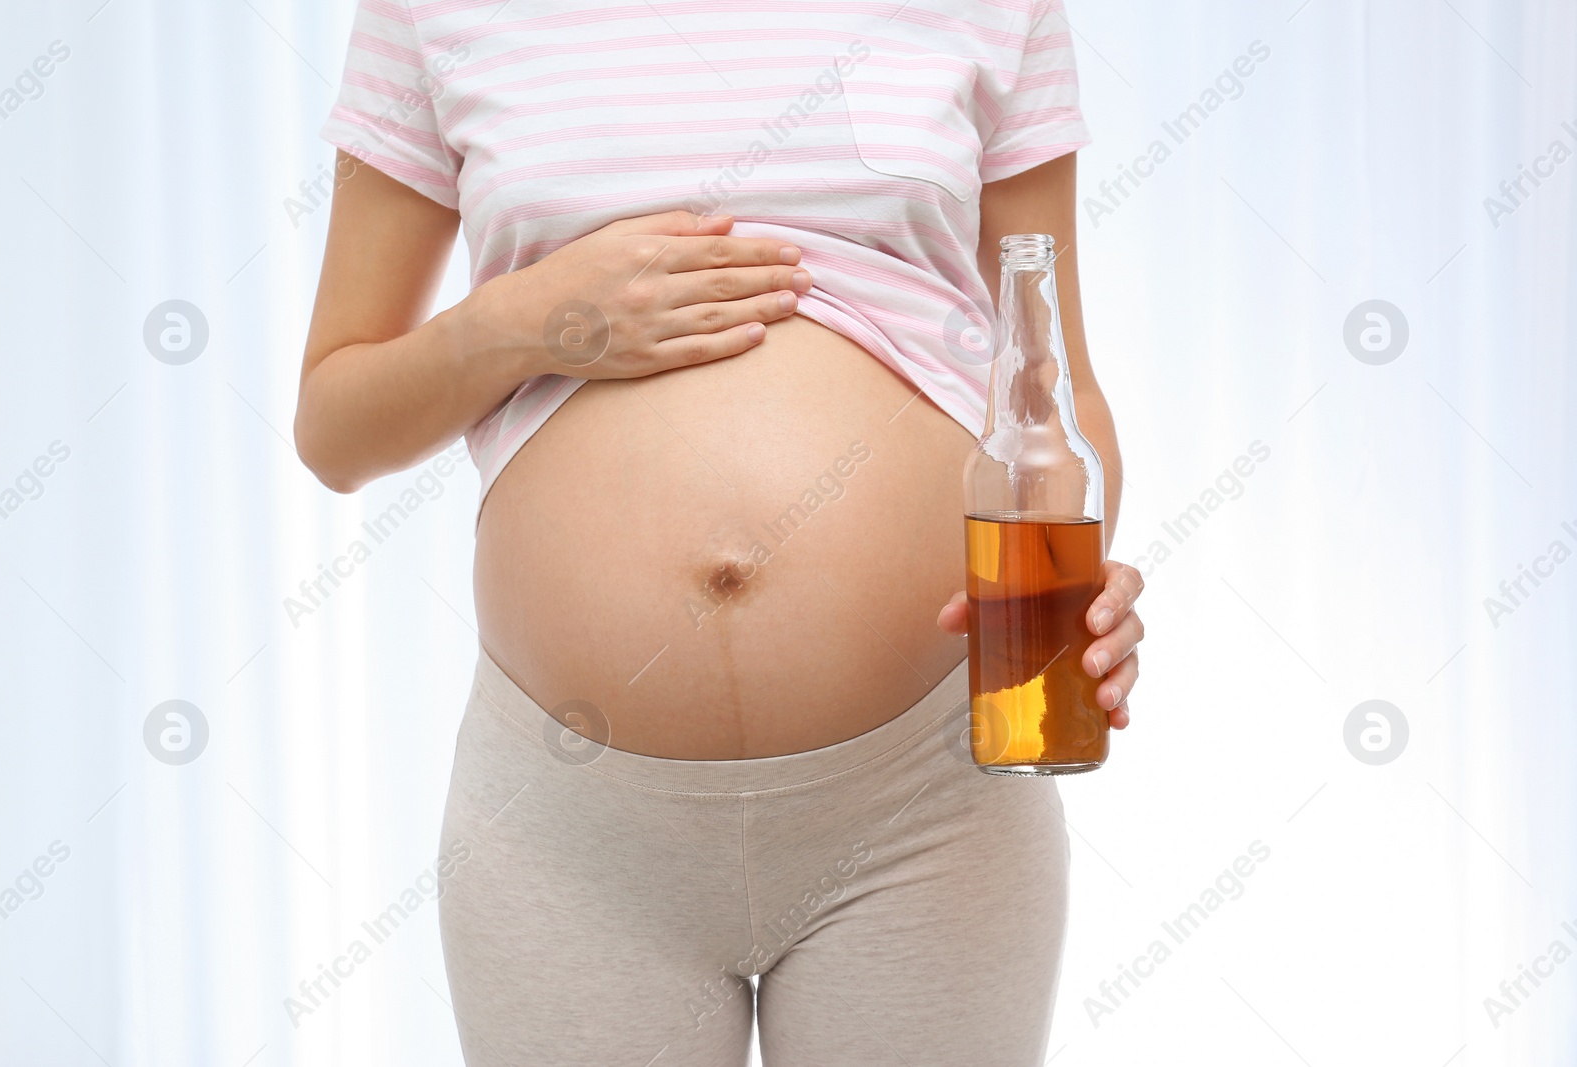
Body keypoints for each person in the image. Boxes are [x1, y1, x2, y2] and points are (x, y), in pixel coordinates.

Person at [295, 2, 1145, 1063]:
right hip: (573, 826)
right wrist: (530, 319)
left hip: (926, 799)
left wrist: (1088, 580)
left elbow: (1056, 382)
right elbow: (335, 425)